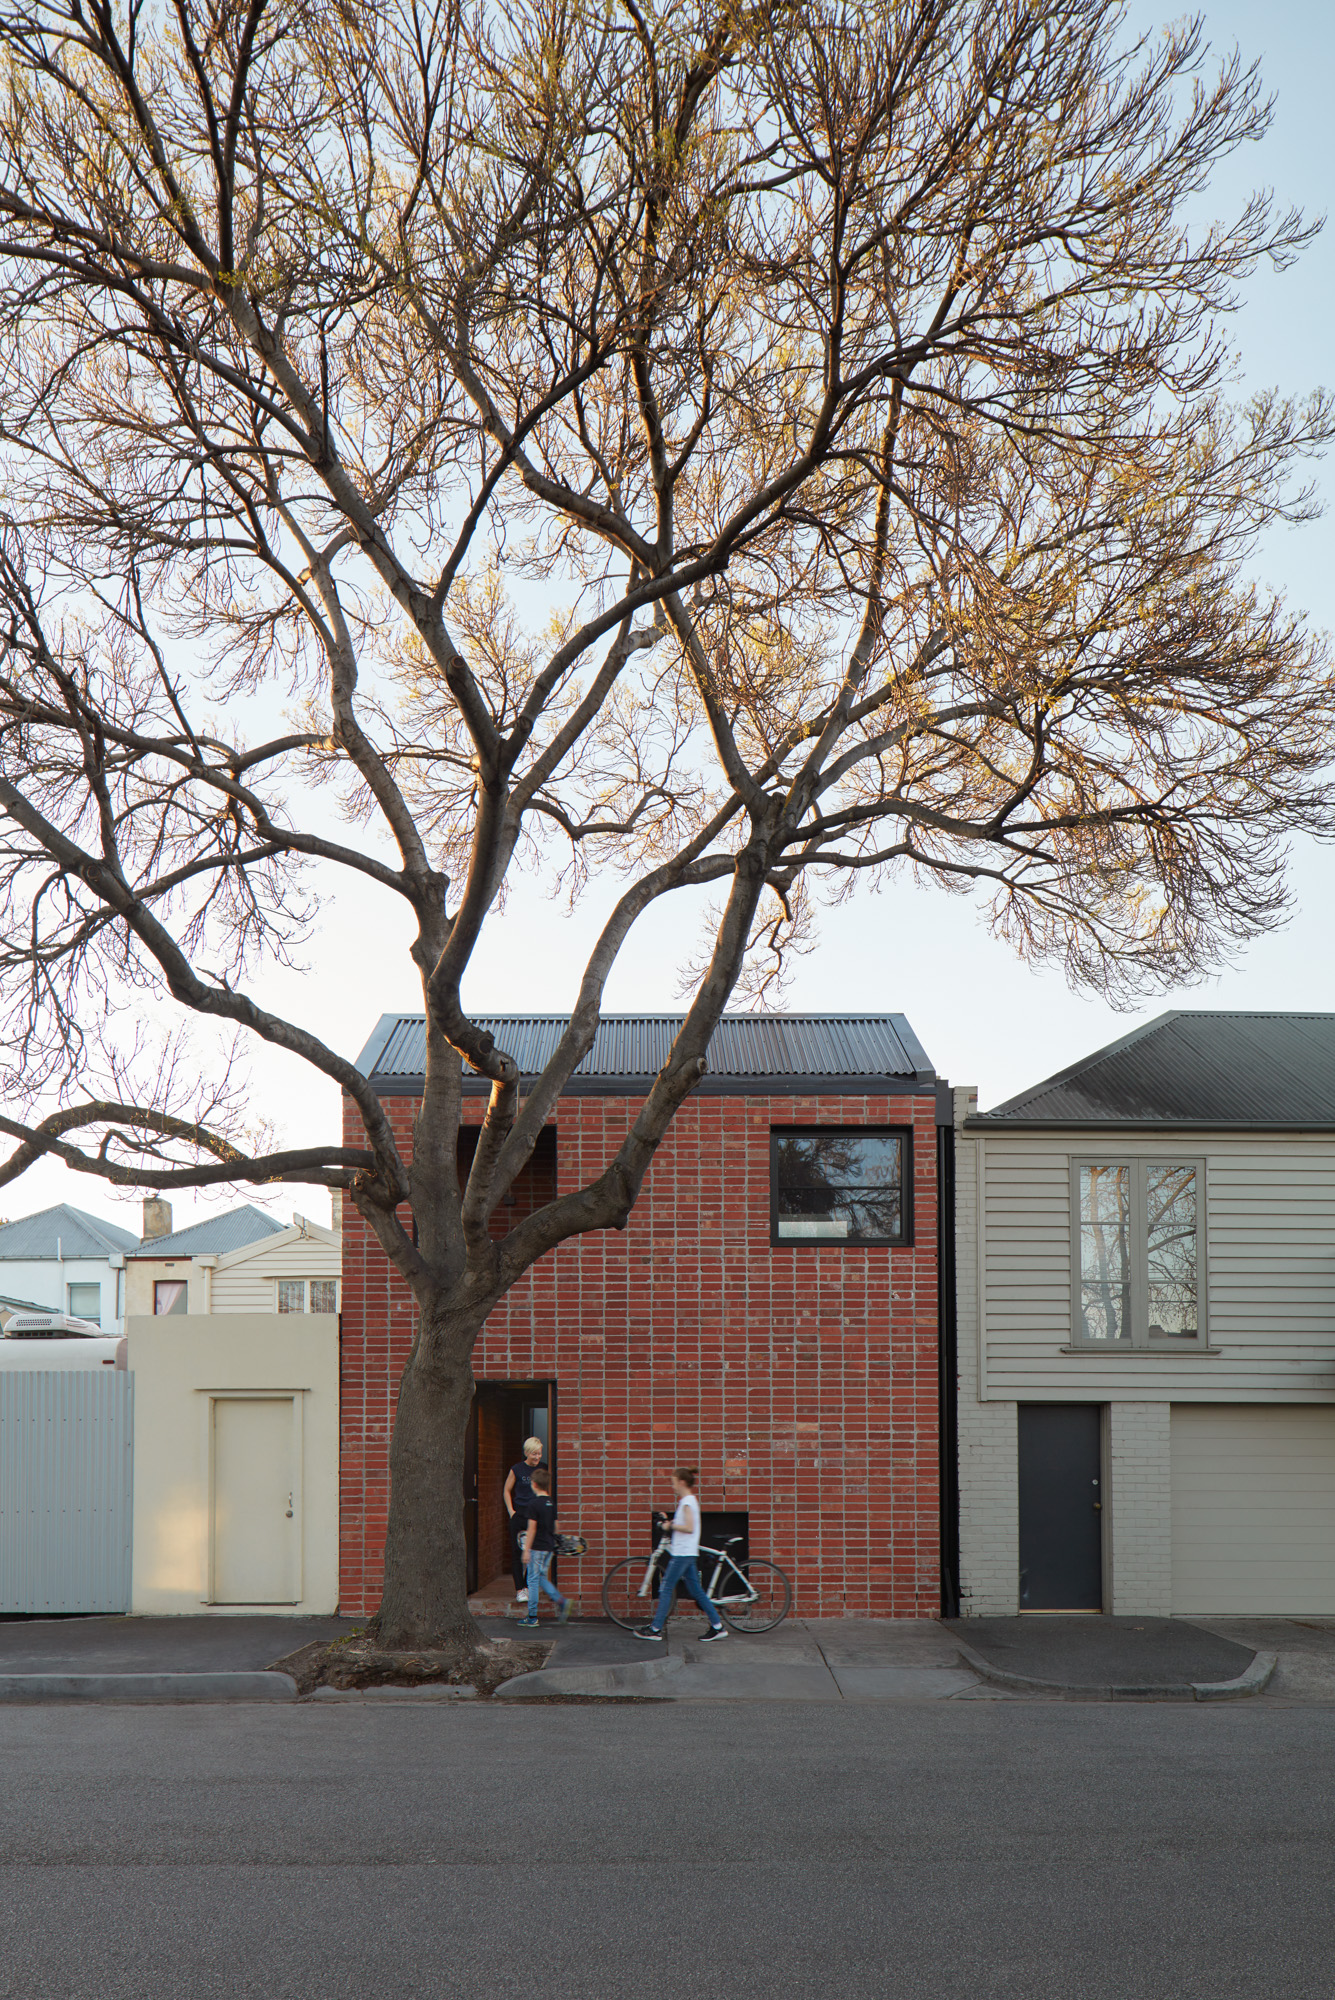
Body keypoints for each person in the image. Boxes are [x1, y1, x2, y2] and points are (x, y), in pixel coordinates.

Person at [634, 1467, 727, 1643]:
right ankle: (717, 1626)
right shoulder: (688, 1502)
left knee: (666, 1587)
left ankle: (655, 1629)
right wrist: (668, 1520)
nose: (673, 1486)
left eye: (674, 1482)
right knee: (697, 1591)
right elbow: (685, 1523)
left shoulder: (687, 1503)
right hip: (687, 1553)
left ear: (682, 1482)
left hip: (683, 1554)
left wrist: (670, 1526)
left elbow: (689, 1527)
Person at [517, 1468, 571, 1627]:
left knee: (532, 1581)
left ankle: (532, 1616)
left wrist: (526, 1550)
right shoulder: (550, 1502)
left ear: (533, 1484)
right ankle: (561, 1601)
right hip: (548, 1547)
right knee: (541, 1577)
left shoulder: (533, 1504)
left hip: (537, 1548)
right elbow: (556, 1526)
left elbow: (531, 1529)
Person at [504, 1435, 546, 1603]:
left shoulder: (543, 1469)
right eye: (534, 1454)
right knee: (517, 1553)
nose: (537, 1457)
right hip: (519, 1516)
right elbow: (507, 1490)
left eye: (539, 1454)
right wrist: (511, 1511)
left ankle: (527, 1587)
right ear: (527, 1453)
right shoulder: (517, 1469)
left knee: (533, 1553)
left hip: (535, 1517)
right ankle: (520, 1589)